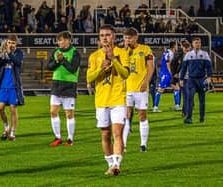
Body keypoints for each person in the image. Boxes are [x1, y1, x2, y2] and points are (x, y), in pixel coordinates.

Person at [87, 24, 130, 176]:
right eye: (102, 35)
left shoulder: (122, 53)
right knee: (105, 134)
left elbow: (125, 74)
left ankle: (117, 164)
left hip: (118, 98)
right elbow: (89, 78)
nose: (105, 38)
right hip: (101, 100)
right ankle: (111, 164)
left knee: (117, 132)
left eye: (108, 35)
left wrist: (114, 60)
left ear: (114, 36)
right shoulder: (94, 56)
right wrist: (100, 69)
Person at [122, 27, 154, 153]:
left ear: (136, 37)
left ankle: (143, 144)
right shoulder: (123, 51)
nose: (127, 40)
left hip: (141, 89)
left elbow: (150, 68)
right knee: (126, 116)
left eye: (129, 38)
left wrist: (146, 82)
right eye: (125, 38)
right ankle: (123, 145)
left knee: (142, 115)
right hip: (127, 89)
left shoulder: (145, 49)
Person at [47, 31, 81, 146]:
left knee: (69, 114)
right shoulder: (56, 52)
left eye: (61, 40)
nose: (59, 42)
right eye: (58, 40)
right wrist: (57, 61)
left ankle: (70, 138)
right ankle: (58, 137)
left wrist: (63, 60)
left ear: (67, 40)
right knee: (53, 112)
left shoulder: (75, 53)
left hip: (69, 85)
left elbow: (73, 69)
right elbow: (49, 66)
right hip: (56, 84)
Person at [0, 34, 24, 141]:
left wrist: (10, 53)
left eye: (13, 43)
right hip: (2, 86)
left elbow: (18, 62)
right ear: (7, 42)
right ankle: (6, 127)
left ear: (16, 44)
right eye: (9, 43)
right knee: (0, 108)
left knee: (13, 109)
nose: (10, 45)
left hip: (14, 87)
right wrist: (0, 54)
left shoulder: (19, 53)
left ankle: (12, 132)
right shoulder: (3, 52)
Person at [180, 37, 212, 124]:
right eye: (196, 43)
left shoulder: (205, 54)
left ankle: (202, 118)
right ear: (192, 44)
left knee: (202, 100)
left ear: (200, 44)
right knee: (190, 99)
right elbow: (183, 67)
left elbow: (209, 67)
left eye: (199, 43)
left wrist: (209, 77)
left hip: (201, 80)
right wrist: (181, 79)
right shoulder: (188, 55)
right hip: (191, 80)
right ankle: (189, 118)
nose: (197, 44)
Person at [153, 41, 178, 112]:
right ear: (174, 46)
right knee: (160, 89)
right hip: (166, 74)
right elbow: (168, 63)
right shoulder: (169, 53)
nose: (177, 47)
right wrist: (170, 72)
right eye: (176, 45)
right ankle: (155, 107)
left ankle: (177, 105)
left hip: (165, 73)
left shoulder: (167, 52)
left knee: (176, 88)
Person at [179, 41, 192, 117]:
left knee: (189, 95)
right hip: (184, 78)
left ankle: (186, 111)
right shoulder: (181, 56)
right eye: (185, 48)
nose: (186, 49)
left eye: (188, 48)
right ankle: (185, 112)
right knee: (186, 95)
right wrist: (180, 79)